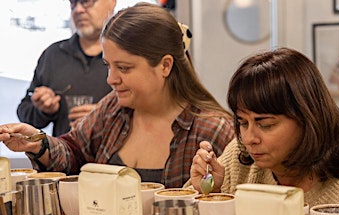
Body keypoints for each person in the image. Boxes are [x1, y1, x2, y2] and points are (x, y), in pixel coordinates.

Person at [1, 3, 235, 188]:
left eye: (123, 68)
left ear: (165, 65)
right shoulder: (113, 108)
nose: (111, 79)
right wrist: (37, 142)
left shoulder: (212, 129)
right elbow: (73, 154)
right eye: (108, 66)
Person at [186, 47, 339, 215]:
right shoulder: (240, 157)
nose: (249, 138)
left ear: (307, 120)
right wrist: (210, 194)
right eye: (243, 122)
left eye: (266, 124)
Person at [17, 0, 117, 136]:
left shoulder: (129, 55)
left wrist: (108, 116)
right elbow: (25, 112)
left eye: (86, 2)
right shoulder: (53, 55)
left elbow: (149, 113)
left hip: (116, 155)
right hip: (64, 154)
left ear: (111, 2)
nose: (78, 10)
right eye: (73, 3)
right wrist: (44, 109)